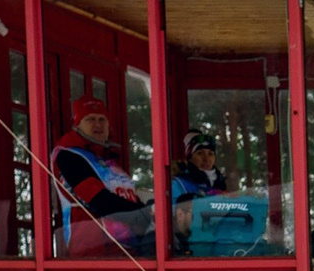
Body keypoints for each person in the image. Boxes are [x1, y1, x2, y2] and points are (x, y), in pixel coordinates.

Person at [50, 99, 152, 256]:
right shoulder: (69, 156)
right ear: (77, 124)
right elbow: (98, 200)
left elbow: (128, 197)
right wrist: (143, 213)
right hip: (92, 250)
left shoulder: (108, 161)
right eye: (90, 119)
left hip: (128, 249)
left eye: (102, 119)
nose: (97, 124)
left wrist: (146, 210)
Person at [170, 129, 229, 241]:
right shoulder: (179, 183)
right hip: (189, 240)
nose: (206, 159)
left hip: (218, 238)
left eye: (210, 154)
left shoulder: (220, 183)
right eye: (200, 153)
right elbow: (174, 217)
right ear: (190, 157)